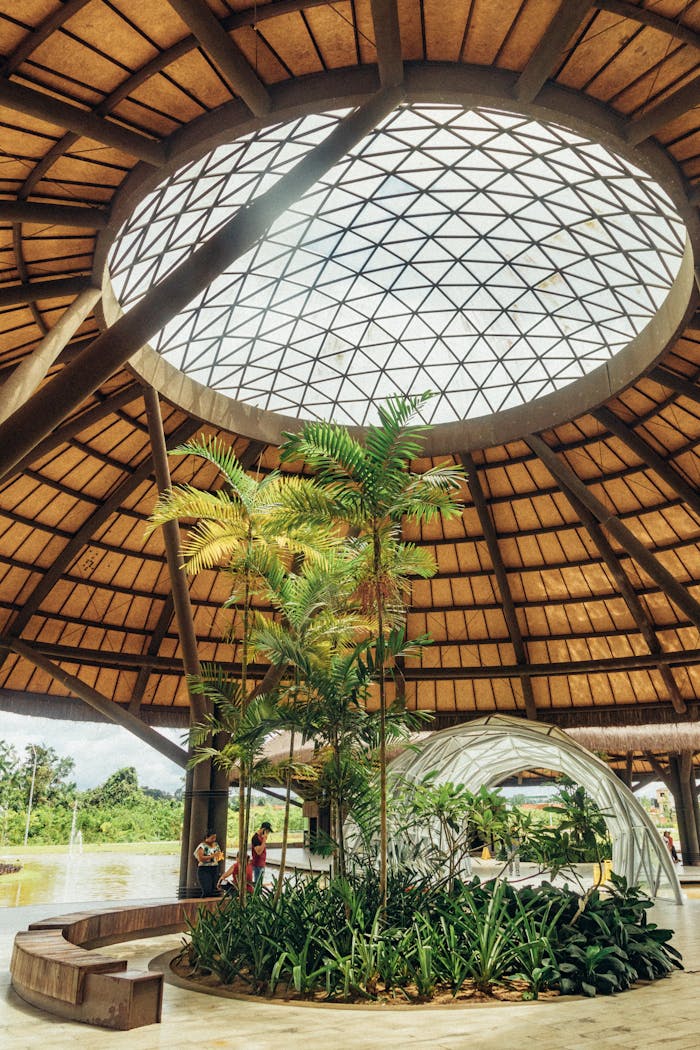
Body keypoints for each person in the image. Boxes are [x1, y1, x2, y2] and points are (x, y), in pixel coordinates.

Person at [194, 829, 223, 897]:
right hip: (204, 868)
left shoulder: (216, 845)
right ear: (207, 838)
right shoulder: (202, 846)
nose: (214, 839)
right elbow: (200, 858)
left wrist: (219, 856)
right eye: (212, 838)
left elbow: (218, 854)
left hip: (214, 868)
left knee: (214, 888)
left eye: (215, 838)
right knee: (207, 889)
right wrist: (212, 856)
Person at [251, 820, 273, 888]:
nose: (268, 834)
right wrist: (264, 840)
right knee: (258, 884)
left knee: (259, 884)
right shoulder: (255, 838)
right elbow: (258, 852)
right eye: (268, 832)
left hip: (261, 864)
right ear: (264, 830)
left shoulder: (261, 837)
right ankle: (256, 897)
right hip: (258, 865)